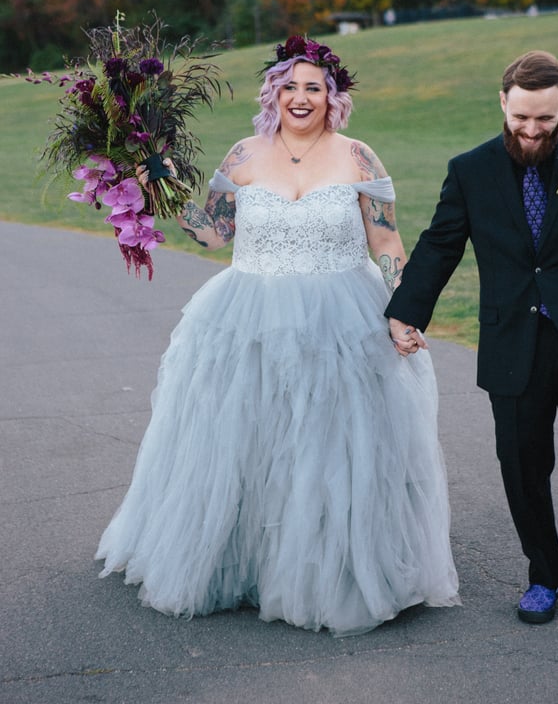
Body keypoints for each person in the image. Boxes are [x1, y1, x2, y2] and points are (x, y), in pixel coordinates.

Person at [96, 34, 460, 637]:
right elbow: (211, 233)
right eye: (288, 86)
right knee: (247, 438)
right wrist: (151, 179)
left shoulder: (357, 157)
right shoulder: (243, 155)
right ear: (273, 93)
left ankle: (333, 569)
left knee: (333, 445)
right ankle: (245, 564)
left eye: (313, 87)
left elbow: (387, 242)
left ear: (331, 97)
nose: (300, 96)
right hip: (250, 314)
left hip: (342, 315)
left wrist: (405, 310)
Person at [387, 50, 558, 625]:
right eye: (521, 116)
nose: (530, 130)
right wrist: (406, 313)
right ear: (502, 102)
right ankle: (543, 573)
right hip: (512, 340)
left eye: (544, 119)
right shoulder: (469, 170)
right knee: (524, 464)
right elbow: (441, 245)